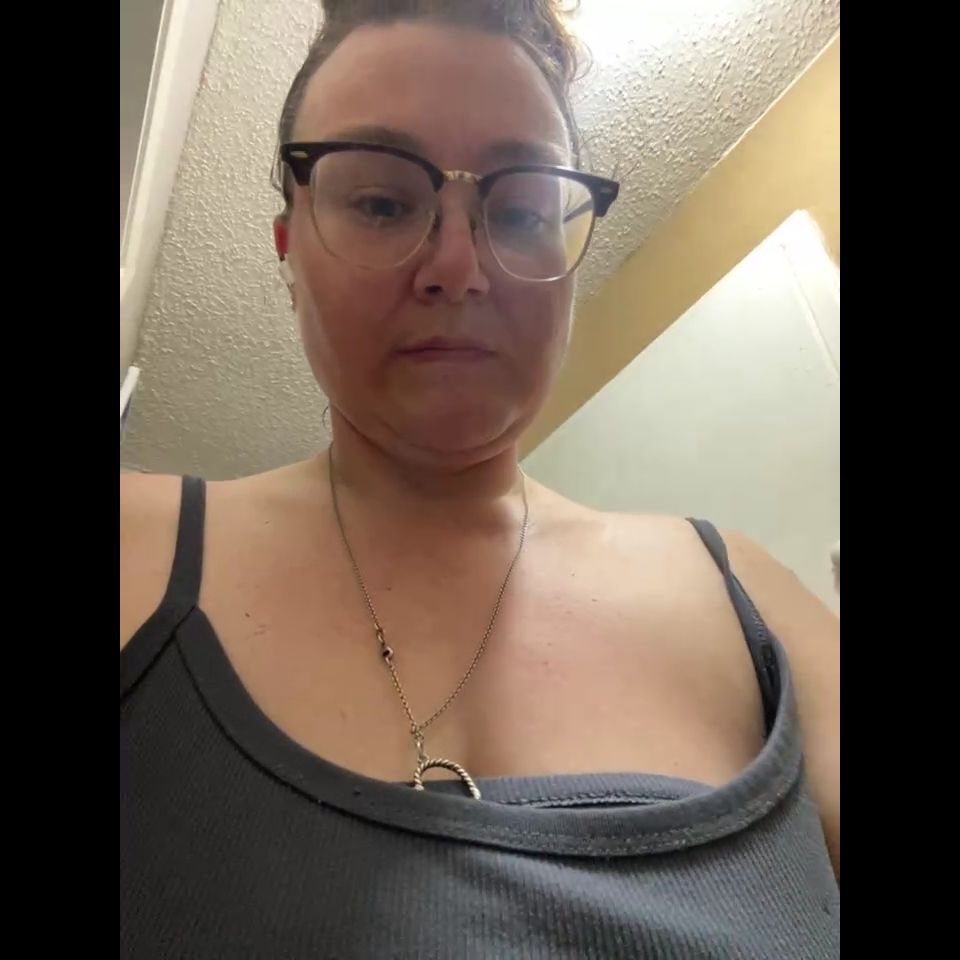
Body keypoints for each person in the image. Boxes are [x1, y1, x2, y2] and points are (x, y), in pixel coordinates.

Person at [120, 2, 840, 956]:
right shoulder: (135, 547)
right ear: (289, 249)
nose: (458, 267)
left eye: (521, 210)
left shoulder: (746, 596)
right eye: (383, 203)